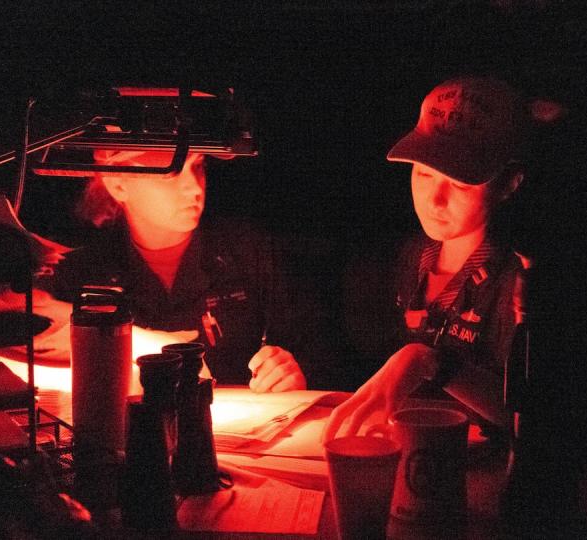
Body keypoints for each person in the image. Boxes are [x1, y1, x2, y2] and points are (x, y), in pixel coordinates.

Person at [323, 76, 530, 440]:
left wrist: (429, 360)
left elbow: (524, 413)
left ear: (510, 183)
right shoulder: (402, 259)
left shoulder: (518, 280)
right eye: (423, 173)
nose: (434, 200)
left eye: (461, 184)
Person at [36, 149, 316, 391]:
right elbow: (21, 316)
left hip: (248, 440)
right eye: (170, 172)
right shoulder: (81, 266)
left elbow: (312, 349)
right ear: (118, 184)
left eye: (197, 166)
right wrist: (139, 341)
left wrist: (290, 375)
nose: (194, 187)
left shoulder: (248, 249)